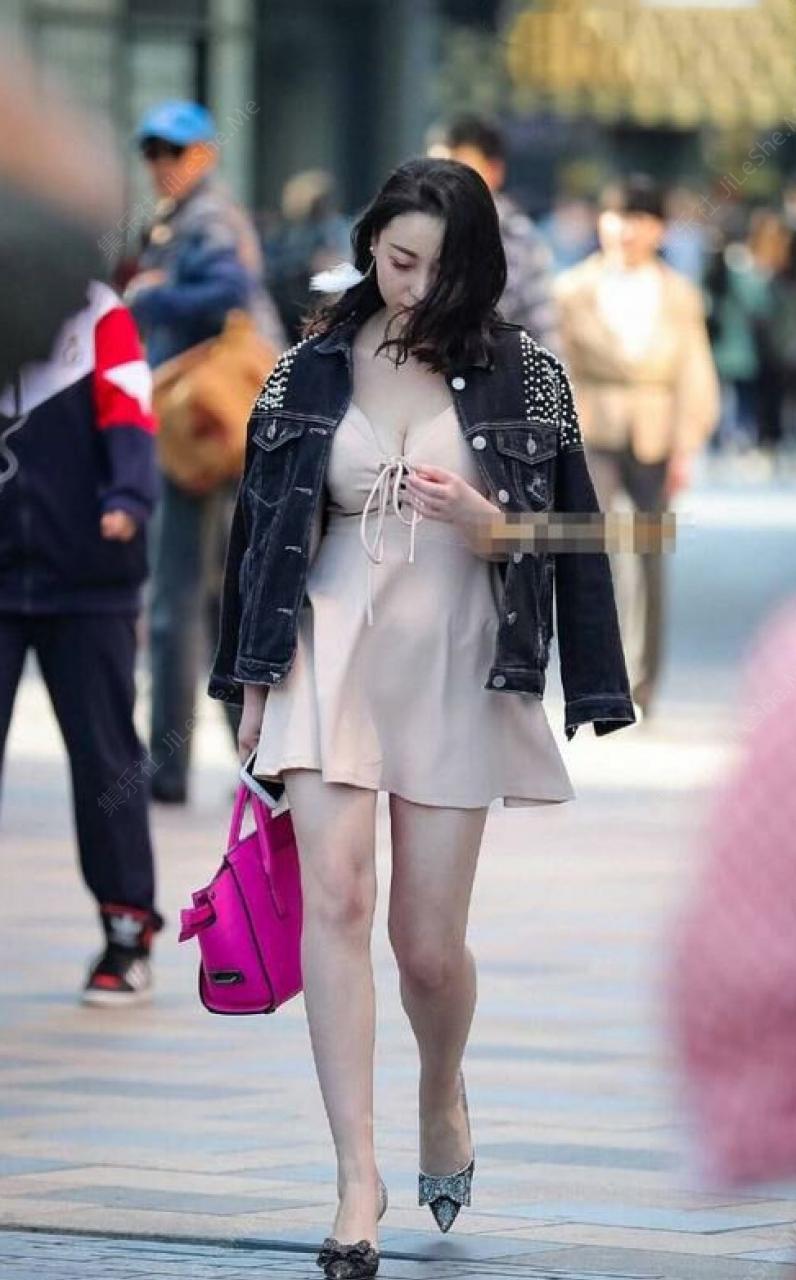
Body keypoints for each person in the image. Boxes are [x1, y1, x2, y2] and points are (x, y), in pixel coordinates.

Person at [208, 157, 634, 1279]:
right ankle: (356, 1180)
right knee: (338, 901)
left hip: (456, 655)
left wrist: (490, 523)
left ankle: (441, 1090)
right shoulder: (303, 369)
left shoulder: (526, 374)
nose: (414, 287)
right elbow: (257, 535)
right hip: (327, 647)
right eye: (399, 261)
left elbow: (577, 537)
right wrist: (248, 686)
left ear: (478, 271)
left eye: (440, 271)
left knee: (428, 949)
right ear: (369, 247)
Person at [0, 281, 164, 1006]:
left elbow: (130, 411)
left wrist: (128, 495)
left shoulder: (99, 314)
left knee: (106, 760)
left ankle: (127, 932)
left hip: (90, 578)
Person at [125, 99, 286, 804]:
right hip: (209, 426)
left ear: (206, 154)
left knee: (179, 600)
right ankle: (257, 759)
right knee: (221, 597)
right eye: (153, 151)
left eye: (174, 150)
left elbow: (230, 291)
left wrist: (154, 298)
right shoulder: (185, 215)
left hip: (204, 427)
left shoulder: (208, 217)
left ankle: (171, 770)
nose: (161, 163)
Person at [554, 175, 719, 721]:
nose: (627, 230)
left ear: (659, 229)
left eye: (640, 219)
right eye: (618, 217)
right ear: (602, 222)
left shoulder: (679, 293)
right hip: (590, 430)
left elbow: (695, 370)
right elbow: (558, 366)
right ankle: (593, 680)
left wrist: (686, 446)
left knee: (648, 558)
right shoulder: (571, 289)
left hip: (656, 432)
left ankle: (643, 682)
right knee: (589, 554)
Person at [441, 115, 560, 351]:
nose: (443, 181)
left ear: (494, 171)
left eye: (460, 169)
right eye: (436, 167)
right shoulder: (408, 228)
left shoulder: (519, 239)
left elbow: (542, 330)